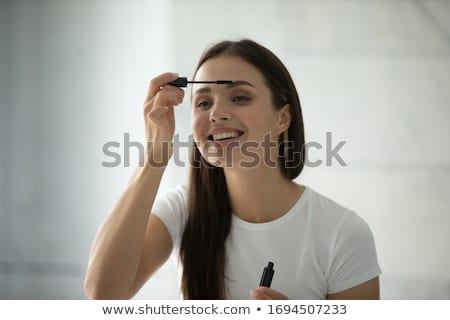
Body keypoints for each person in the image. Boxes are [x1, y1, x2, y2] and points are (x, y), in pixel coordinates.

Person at [84, 39, 381, 300]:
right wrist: (154, 157)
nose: (216, 114)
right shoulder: (181, 210)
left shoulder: (342, 233)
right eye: (203, 102)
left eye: (240, 98)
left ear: (283, 118)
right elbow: (104, 291)